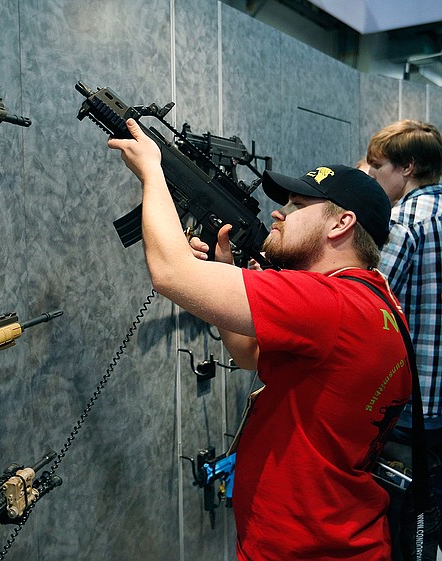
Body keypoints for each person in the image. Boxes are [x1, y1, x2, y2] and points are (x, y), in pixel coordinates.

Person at [108, 119, 412, 561]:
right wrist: (231, 275)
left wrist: (153, 172)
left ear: (341, 224)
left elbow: (171, 273)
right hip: (334, 533)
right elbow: (250, 355)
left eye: (297, 203)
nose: (278, 212)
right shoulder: (372, 298)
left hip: (306, 548)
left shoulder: (329, 303)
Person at [365, 120, 442, 505]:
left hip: (415, 406)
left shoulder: (404, 221)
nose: (373, 176)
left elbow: (365, 298)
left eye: (377, 167)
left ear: (407, 166)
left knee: (409, 526)